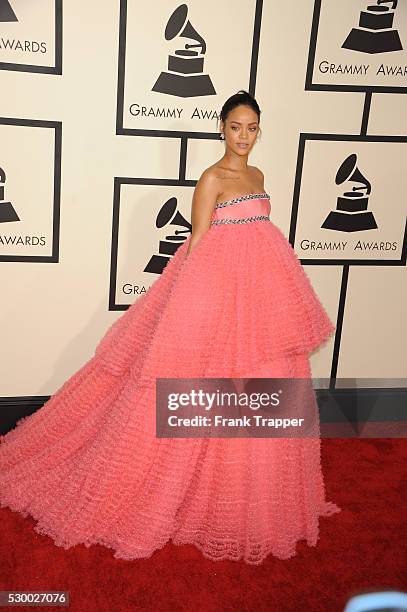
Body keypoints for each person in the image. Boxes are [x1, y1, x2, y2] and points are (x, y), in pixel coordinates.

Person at [0, 90, 341, 566]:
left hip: (259, 303)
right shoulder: (212, 179)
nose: (244, 137)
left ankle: (250, 500)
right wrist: (187, 310)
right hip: (216, 299)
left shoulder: (259, 176)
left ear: (259, 131)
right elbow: (198, 243)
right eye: (236, 127)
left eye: (252, 128)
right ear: (221, 128)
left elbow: (256, 239)